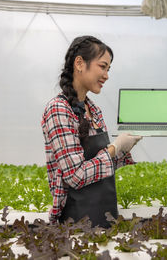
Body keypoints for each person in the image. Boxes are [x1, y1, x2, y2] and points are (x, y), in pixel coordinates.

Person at [41, 35, 142, 227]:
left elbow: (100, 166)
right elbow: (76, 176)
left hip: (105, 215)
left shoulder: (93, 109)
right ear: (79, 63)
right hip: (75, 221)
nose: (106, 75)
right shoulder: (59, 109)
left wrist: (125, 146)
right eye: (102, 67)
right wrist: (115, 147)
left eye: (108, 69)